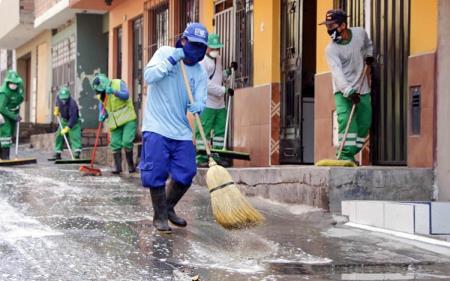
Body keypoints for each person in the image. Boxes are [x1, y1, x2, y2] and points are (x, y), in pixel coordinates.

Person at [140, 23, 208, 233]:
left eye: (202, 48)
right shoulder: (165, 53)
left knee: (187, 172)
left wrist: (199, 105)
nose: (197, 51)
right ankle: (159, 216)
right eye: (194, 45)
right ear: (183, 41)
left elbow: (201, 99)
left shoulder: (199, 72)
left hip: (181, 129)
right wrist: (171, 60)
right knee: (156, 172)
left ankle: (168, 208)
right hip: (156, 126)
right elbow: (149, 77)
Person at [320, 9, 374, 164]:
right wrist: (348, 91)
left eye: (332, 26)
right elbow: (337, 73)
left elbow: (368, 45)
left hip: (362, 86)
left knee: (364, 122)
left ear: (343, 25)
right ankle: (345, 155)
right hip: (343, 90)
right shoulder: (331, 49)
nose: (329, 30)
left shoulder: (359, 34)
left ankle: (351, 152)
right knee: (345, 121)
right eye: (327, 26)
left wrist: (369, 55)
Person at [196, 33, 237, 167]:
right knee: (204, 131)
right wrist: (224, 90)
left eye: (217, 48)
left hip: (220, 104)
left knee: (220, 131)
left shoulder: (218, 59)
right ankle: (201, 158)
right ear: (206, 47)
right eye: (213, 48)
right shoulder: (202, 63)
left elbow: (219, 77)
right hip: (207, 103)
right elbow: (206, 84)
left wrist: (228, 72)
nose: (215, 51)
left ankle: (217, 156)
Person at [92, 73, 137, 174]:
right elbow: (102, 106)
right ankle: (118, 167)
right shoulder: (101, 94)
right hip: (114, 122)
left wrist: (114, 92)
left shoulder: (118, 83)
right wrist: (102, 114)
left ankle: (130, 165)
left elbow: (126, 95)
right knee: (115, 144)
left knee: (126, 142)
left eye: (101, 89)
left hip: (127, 118)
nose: (100, 92)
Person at [53, 87, 82, 160]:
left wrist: (68, 128)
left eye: (65, 99)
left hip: (74, 121)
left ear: (68, 96)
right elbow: (56, 102)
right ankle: (58, 152)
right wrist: (56, 109)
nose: (63, 100)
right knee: (59, 135)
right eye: (62, 98)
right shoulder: (58, 97)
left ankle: (76, 153)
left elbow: (73, 117)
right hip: (64, 120)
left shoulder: (72, 103)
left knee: (75, 136)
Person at [0, 70, 24, 160]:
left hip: (12, 113)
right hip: (2, 114)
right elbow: (1, 108)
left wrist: (16, 109)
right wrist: (14, 116)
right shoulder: (4, 93)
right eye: (11, 83)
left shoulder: (18, 90)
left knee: (10, 133)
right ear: (8, 82)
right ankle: (5, 157)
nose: (13, 84)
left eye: (15, 83)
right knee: (5, 133)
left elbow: (19, 99)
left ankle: (2, 156)